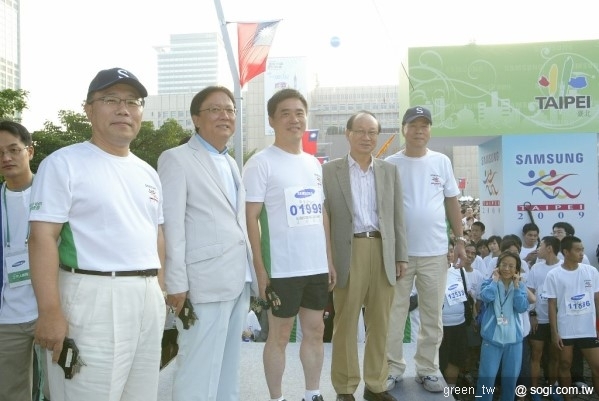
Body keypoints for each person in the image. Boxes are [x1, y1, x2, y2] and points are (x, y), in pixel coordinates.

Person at [28, 68, 166, 401]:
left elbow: (156, 236)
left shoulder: (147, 172)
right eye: (110, 100)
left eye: (133, 102)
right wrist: (49, 312)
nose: (124, 109)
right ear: (89, 109)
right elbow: (41, 238)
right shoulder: (64, 163)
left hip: (147, 299)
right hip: (93, 298)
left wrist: (159, 293)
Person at [157, 86, 258, 401]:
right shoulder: (176, 159)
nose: (225, 116)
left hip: (237, 279)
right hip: (202, 283)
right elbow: (171, 226)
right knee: (198, 370)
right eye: (215, 109)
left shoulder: (229, 162)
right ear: (196, 119)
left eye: (230, 109)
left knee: (228, 369)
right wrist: (176, 284)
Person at [243, 88, 335, 401]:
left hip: (315, 267)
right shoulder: (260, 163)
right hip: (281, 268)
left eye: (299, 113)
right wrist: (259, 267)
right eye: (285, 113)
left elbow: (321, 213)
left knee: (315, 332)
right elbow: (251, 217)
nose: (293, 119)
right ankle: (277, 397)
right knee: (279, 336)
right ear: (272, 120)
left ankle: (312, 393)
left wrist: (329, 260)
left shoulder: (313, 164)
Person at [323, 111, 407, 401]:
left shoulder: (388, 171)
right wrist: (328, 260)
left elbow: (398, 216)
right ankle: (345, 388)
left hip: (382, 250)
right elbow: (326, 218)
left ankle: (376, 383)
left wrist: (401, 256)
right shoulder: (329, 171)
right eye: (360, 131)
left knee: (381, 322)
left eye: (372, 132)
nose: (366, 137)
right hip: (348, 251)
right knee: (345, 323)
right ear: (348, 133)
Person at [385, 106, 466, 392]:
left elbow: (452, 202)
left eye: (425, 125)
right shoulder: (389, 163)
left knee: (432, 315)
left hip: (435, 253)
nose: (420, 130)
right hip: (400, 255)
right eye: (414, 125)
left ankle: (428, 368)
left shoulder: (441, 162)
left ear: (430, 129)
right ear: (403, 129)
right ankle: (392, 367)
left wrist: (459, 240)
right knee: (394, 314)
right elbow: (382, 209)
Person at [0, 121, 37, 401]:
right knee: (11, 392)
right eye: (0, 152)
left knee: (59, 388)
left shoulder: (54, 194)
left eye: (14, 149)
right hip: (7, 318)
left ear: (30, 151)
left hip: (52, 311)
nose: (7, 158)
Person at [546, 236, 599, 401]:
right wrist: (554, 333)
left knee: (597, 367)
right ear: (566, 252)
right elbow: (551, 305)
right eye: (578, 250)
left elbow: (597, 300)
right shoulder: (554, 274)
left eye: (582, 249)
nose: (581, 253)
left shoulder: (591, 271)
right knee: (564, 365)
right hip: (566, 330)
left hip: (588, 329)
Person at [475, 251, 530, 401]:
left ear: (517, 269)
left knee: (510, 381)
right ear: (498, 266)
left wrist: (517, 287)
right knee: (486, 378)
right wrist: (494, 281)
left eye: (511, 266)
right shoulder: (489, 282)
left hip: (514, 340)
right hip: (492, 339)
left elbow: (521, 307)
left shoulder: (521, 286)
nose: (507, 268)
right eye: (504, 264)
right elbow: (486, 297)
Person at [526, 236, 563, 401]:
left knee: (555, 357)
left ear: (549, 248)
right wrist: (532, 314)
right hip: (539, 319)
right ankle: (535, 391)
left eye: (540, 246)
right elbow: (530, 291)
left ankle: (552, 386)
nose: (537, 249)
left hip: (559, 322)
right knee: (536, 355)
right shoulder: (536, 268)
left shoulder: (563, 267)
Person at [440, 242, 475, 400]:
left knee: (455, 360)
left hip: (459, 325)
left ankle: (450, 393)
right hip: (438, 326)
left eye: (450, 251)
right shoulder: (429, 272)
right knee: (439, 362)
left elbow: (468, 296)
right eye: (444, 251)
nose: (448, 254)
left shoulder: (460, 271)